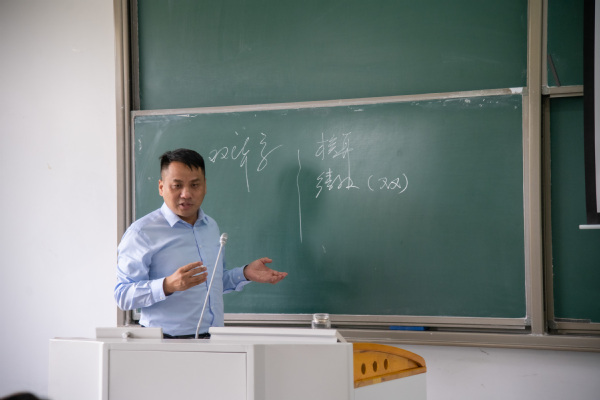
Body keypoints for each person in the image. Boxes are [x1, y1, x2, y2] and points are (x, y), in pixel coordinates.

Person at [114, 148, 287, 338]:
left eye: (195, 185)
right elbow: (122, 295)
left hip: (214, 339)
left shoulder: (210, 226)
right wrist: (167, 285)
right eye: (177, 185)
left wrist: (244, 273)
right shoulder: (141, 233)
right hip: (167, 343)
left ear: (205, 186)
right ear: (161, 187)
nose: (186, 194)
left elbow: (210, 283)